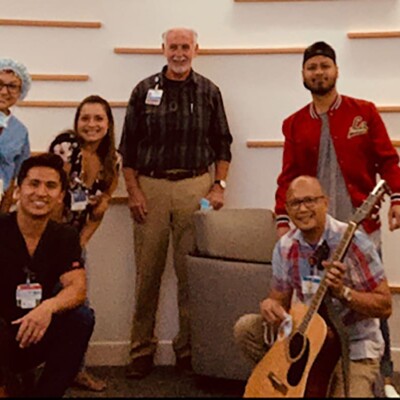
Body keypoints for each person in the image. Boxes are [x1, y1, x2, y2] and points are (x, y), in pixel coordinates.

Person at [274, 41, 400, 398]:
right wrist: (283, 220)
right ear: (303, 74)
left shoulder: (365, 113)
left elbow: (388, 162)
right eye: (311, 67)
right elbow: (287, 178)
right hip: (316, 232)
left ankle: (382, 377)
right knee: (320, 303)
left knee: (369, 303)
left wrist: (397, 199)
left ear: (336, 70)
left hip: (360, 227)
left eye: (324, 66)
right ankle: (325, 374)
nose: (318, 72)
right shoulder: (295, 124)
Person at [119, 27, 233, 378]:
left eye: (185, 47)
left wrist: (218, 187)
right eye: (173, 47)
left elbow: (223, 144)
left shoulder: (209, 91)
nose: (179, 53)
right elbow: (128, 148)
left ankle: (189, 350)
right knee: (147, 273)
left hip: (194, 187)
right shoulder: (143, 90)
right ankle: (140, 350)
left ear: (196, 49)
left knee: (190, 274)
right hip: (150, 187)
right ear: (163, 49)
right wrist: (133, 191)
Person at [235, 175, 392, 397]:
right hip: (307, 338)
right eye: (295, 203)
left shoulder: (355, 243)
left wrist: (344, 292)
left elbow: (385, 306)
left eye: (310, 200)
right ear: (287, 209)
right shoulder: (285, 246)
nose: (303, 209)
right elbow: (278, 300)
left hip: (353, 346)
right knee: (246, 328)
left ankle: (366, 384)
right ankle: (290, 379)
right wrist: (270, 306)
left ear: (325, 202)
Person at [0, 153, 95, 397]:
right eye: (34, 184)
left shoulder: (65, 236)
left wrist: (48, 308)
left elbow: (77, 287)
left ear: (61, 196)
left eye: (51, 186)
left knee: (82, 318)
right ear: (18, 190)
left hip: (37, 328)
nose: (41, 193)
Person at [49, 95, 119, 391]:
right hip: (45, 236)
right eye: (85, 118)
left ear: (108, 124)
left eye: (98, 119)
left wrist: (78, 246)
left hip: (75, 241)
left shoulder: (112, 160)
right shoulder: (66, 146)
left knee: (79, 308)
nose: (91, 125)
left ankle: (75, 369)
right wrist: (54, 245)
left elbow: (99, 210)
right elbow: (50, 195)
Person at [0, 58, 31, 212]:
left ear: (20, 92)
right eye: (0, 84)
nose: (4, 91)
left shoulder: (20, 132)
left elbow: (13, 178)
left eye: (12, 86)